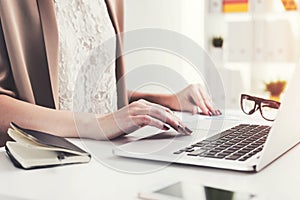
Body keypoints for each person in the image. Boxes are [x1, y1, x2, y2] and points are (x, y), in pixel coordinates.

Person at [0, 0, 221, 144]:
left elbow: (93, 93)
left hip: (110, 159)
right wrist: (96, 124)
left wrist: (167, 101)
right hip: (49, 171)